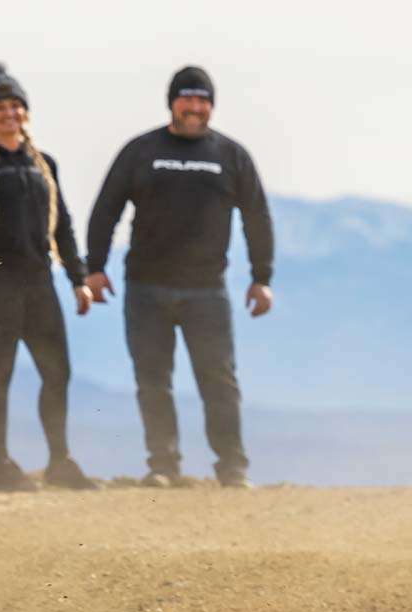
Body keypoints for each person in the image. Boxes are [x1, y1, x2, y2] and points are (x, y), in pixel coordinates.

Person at [84, 66, 275, 489]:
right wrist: (94, 268)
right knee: (152, 381)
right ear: (172, 103)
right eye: (186, 98)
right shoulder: (141, 150)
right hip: (145, 287)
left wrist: (261, 277)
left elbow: (257, 217)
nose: (194, 107)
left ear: (211, 105)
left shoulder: (231, 155)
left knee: (219, 380)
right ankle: (163, 466)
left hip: (207, 290)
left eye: (202, 100)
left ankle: (232, 468)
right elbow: (106, 208)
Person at [0, 62, 98, 492]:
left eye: (15, 106)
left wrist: (78, 279)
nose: (9, 114)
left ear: (25, 112)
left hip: (39, 284)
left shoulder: (44, 165)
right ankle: (2, 466)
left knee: (57, 372)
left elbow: (63, 225)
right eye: (0, 108)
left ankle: (59, 461)